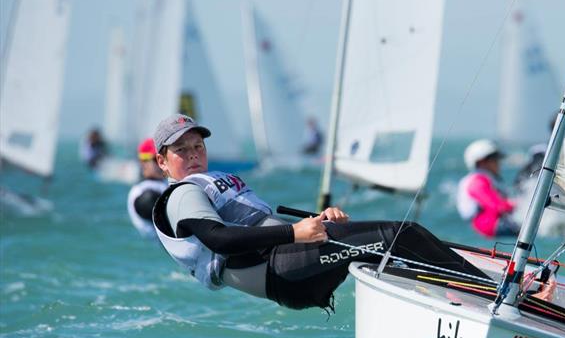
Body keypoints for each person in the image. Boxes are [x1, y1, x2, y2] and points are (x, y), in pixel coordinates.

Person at [151, 114, 485, 311]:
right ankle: (492, 295)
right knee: (402, 235)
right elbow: (218, 239)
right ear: (163, 161)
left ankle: (460, 299)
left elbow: (258, 227)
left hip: (287, 263)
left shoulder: (208, 181)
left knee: (394, 250)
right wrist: (295, 233)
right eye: (181, 151)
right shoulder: (182, 194)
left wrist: (318, 223)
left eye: (198, 146)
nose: (193, 155)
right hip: (279, 272)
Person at [456, 139, 520, 238]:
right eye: (494, 159)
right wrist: (522, 205)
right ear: (482, 162)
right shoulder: (477, 182)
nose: (499, 163)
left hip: (493, 225)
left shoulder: (485, 178)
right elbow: (496, 205)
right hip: (489, 226)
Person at [127, 137, 168, 239]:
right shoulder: (141, 192)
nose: (162, 162)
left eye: (165, 158)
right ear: (143, 162)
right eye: (156, 159)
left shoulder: (164, 182)